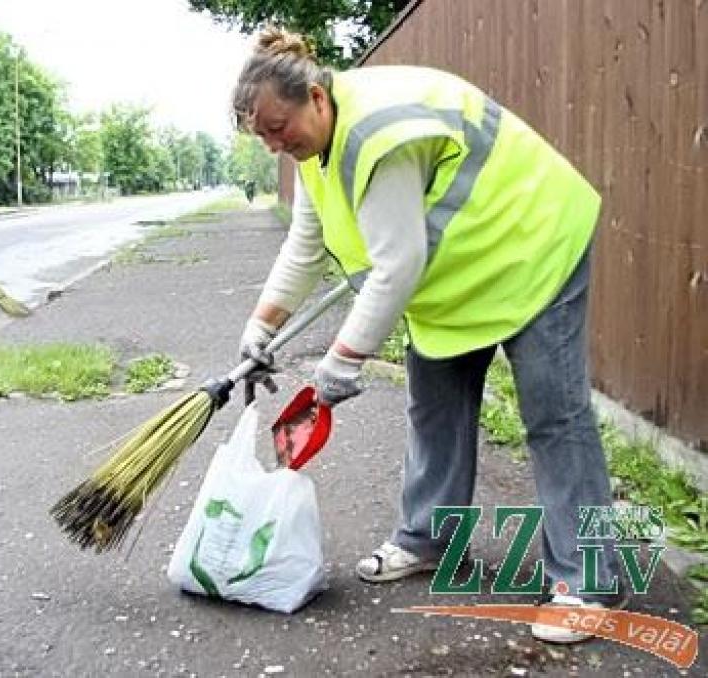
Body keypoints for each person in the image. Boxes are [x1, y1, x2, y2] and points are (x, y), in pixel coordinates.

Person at [232, 28, 624, 644]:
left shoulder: (378, 134)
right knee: (434, 411)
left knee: (555, 415)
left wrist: (341, 363)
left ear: (316, 96)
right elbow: (305, 247)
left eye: (281, 128)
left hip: (530, 245)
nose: (279, 145)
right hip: (461, 274)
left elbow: (397, 264)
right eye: (265, 138)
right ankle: (430, 539)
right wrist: (260, 328)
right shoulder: (317, 152)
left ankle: (589, 579)